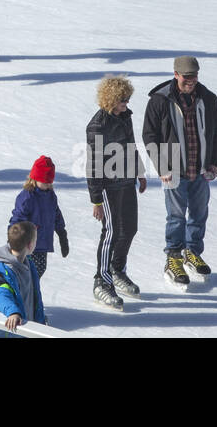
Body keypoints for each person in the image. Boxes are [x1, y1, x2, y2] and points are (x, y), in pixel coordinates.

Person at [142, 56, 217, 287]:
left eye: (194, 77)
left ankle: (192, 252)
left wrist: (214, 162)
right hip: (173, 171)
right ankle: (174, 258)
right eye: (186, 77)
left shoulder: (208, 98)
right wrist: (162, 166)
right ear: (176, 74)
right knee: (176, 217)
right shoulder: (160, 100)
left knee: (199, 215)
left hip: (200, 170)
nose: (191, 82)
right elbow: (150, 136)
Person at [86, 74, 146, 311]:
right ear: (111, 99)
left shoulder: (125, 118)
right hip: (108, 187)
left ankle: (117, 270)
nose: (126, 105)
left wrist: (140, 171)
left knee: (129, 228)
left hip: (127, 182)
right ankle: (101, 281)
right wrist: (96, 200)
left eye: (128, 100)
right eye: (123, 101)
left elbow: (131, 146)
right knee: (111, 231)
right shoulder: (97, 126)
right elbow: (93, 164)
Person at [0, 222, 45, 337]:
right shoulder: (2, 271)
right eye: (35, 240)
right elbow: (0, 295)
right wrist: (13, 312)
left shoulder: (28, 262)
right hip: (3, 331)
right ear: (30, 245)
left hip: (23, 329)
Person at [9, 156, 67, 280]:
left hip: (42, 244)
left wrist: (62, 234)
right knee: (26, 275)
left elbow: (56, 214)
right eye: (44, 182)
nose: (47, 185)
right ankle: (25, 295)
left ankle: (31, 295)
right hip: (28, 245)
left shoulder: (51, 196)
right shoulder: (27, 197)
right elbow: (17, 219)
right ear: (35, 178)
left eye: (49, 182)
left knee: (39, 270)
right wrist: (14, 240)